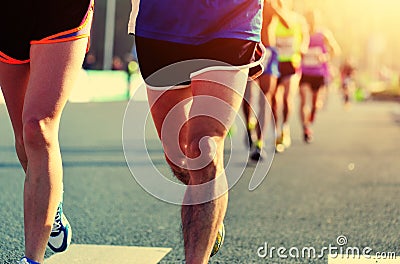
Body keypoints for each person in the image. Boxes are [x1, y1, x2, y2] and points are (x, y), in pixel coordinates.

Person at [129, 0, 266, 263]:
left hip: (231, 18)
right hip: (160, 21)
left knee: (203, 147)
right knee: (178, 154)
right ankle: (208, 216)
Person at [0, 1, 94, 263]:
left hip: (62, 11)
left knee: (37, 128)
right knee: (23, 139)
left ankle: (32, 259)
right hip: (8, 16)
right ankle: (52, 206)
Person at [242, 0, 290, 161]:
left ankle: (259, 143)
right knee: (248, 96)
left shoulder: (274, 4)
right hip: (251, 47)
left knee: (266, 97)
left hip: (269, 52)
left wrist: (275, 8)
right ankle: (250, 129)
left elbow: (287, 24)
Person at [272, 0, 309, 152]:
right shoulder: (275, 17)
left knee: (287, 98)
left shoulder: (299, 19)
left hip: (292, 62)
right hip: (276, 62)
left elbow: (305, 36)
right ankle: (276, 131)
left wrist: (302, 48)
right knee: (274, 99)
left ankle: (284, 127)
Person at [299, 10, 341, 143]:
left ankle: (311, 117)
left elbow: (336, 50)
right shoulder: (302, 33)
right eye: (309, 19)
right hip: (304, 72)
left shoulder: (323, 34)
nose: (311, 22)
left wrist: (325, 57)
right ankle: (306, 128)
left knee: (315, 105)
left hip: (319, 73)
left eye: (313, 19)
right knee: (304, 101)